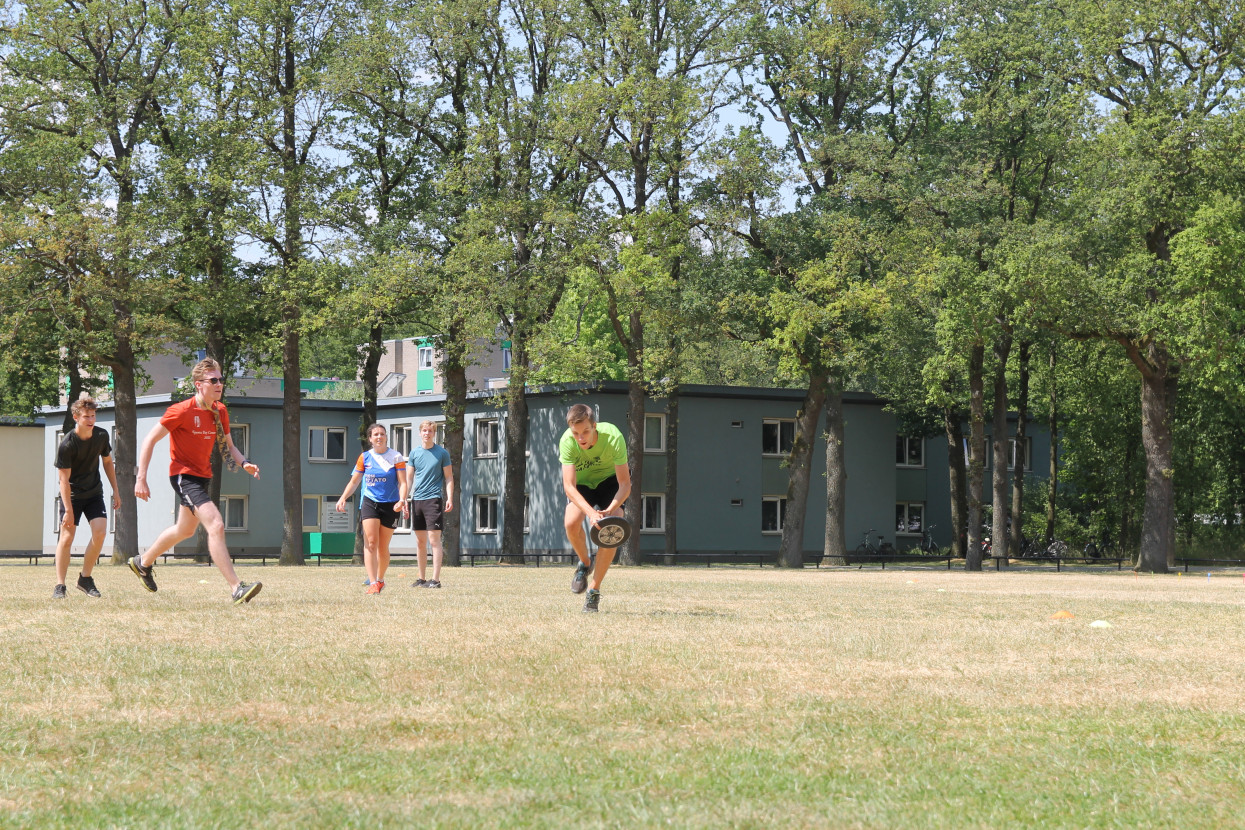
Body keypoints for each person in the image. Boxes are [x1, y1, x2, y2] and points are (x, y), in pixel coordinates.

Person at [130, 358, 263, 605]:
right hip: (184, 476)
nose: (219, 384)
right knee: (216, 524)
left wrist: (245, 463)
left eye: (221, 379)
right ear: (199, 384)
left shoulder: (219, 411)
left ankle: (143, 562)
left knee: (185, 530)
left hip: (203, 476)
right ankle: (236, 588)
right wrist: (141, 478)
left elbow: (230, 446)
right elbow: (149, 439)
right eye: (213, 380)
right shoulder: (181, 410)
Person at [559, 403, 631, 613]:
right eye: (576, 433)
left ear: (594, 426)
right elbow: (569, 486)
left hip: (611, 482)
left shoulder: (613, 437)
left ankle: (594, 590)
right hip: (582, 484)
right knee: (571, 523)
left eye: (586, 432)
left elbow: (625, 484)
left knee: (612, 528)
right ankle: (584, 563)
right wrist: (591, 513)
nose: (581, 438)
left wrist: (610, 511)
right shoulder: (567, 441)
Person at [52, 394, 121, 599]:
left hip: (94, 493)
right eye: (86, 417)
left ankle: (85, 578)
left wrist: (116, 491)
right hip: (71, 496)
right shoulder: (67, 444)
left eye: (93, 416)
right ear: (76, 417)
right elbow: (63, 481)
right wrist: (69, 510)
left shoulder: (101, 436)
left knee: (100, 533)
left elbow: (108, 462)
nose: (91, 420)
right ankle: (60, 585)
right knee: (67, 538)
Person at [337, 424, 408, 594]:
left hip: (391, 504)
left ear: (386, 437)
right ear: (370, 438)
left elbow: (403, 483)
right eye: (375, 434)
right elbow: (354, 482)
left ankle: (380, 579)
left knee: (383, 547)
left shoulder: (396, 457)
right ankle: (373, 583)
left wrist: (402, 500)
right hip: (369, 502)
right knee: (371, 542)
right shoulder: (365, 457)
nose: (379, 437)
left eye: (382, 434)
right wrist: (343, 498)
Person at [405, 420, 453, 589]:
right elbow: (409, 478)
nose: (427, 433)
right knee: (420, 542)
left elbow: (449, 477)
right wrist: (404, 498)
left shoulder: (442, 453)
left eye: (430, 431)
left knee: (434, 540)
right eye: (424, 431)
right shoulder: (414, 453)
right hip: (417, 500)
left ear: (434, 433)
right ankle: (421, 578)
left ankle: (436, 580)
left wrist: (449, 498)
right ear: (420, 433)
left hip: (433, 499)